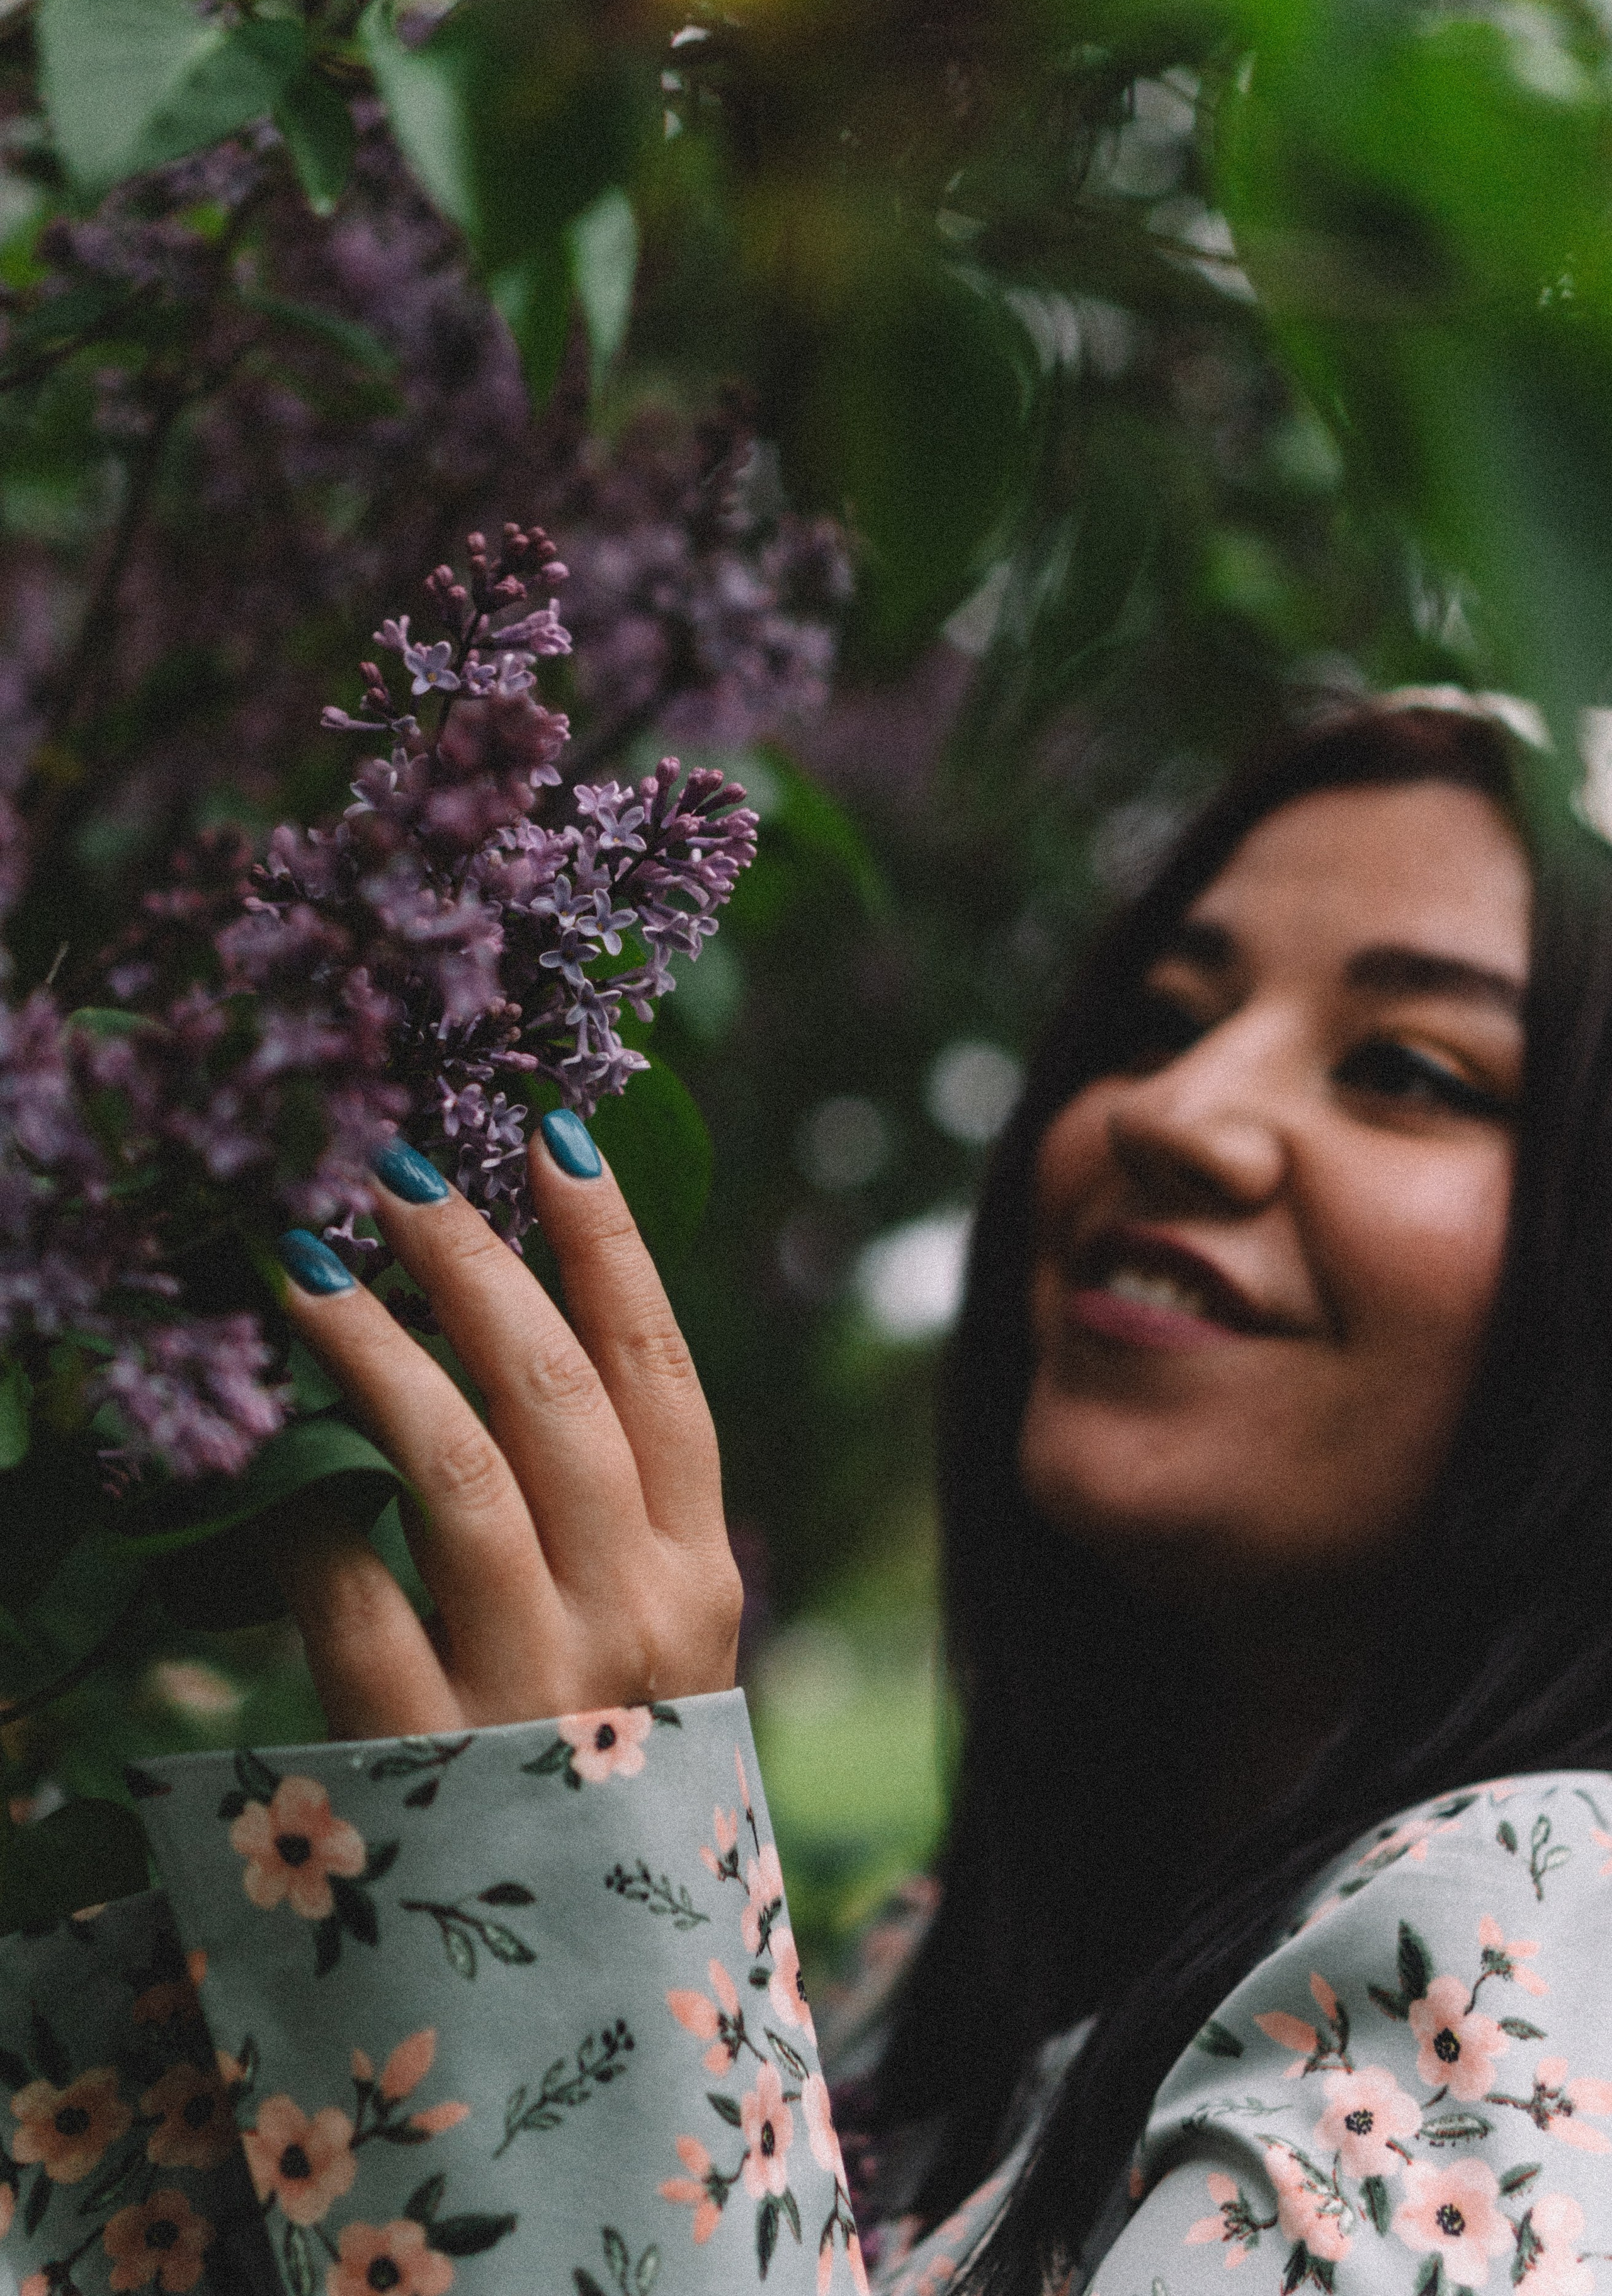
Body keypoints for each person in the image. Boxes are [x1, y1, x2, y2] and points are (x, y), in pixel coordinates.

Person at [4, 701, 1612, 2296]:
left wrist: (579, 1933)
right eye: (1155, 1024)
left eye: (1407, 1066)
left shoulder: (1547, 1939)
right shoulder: (923, 1981)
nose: (1170, 1111)